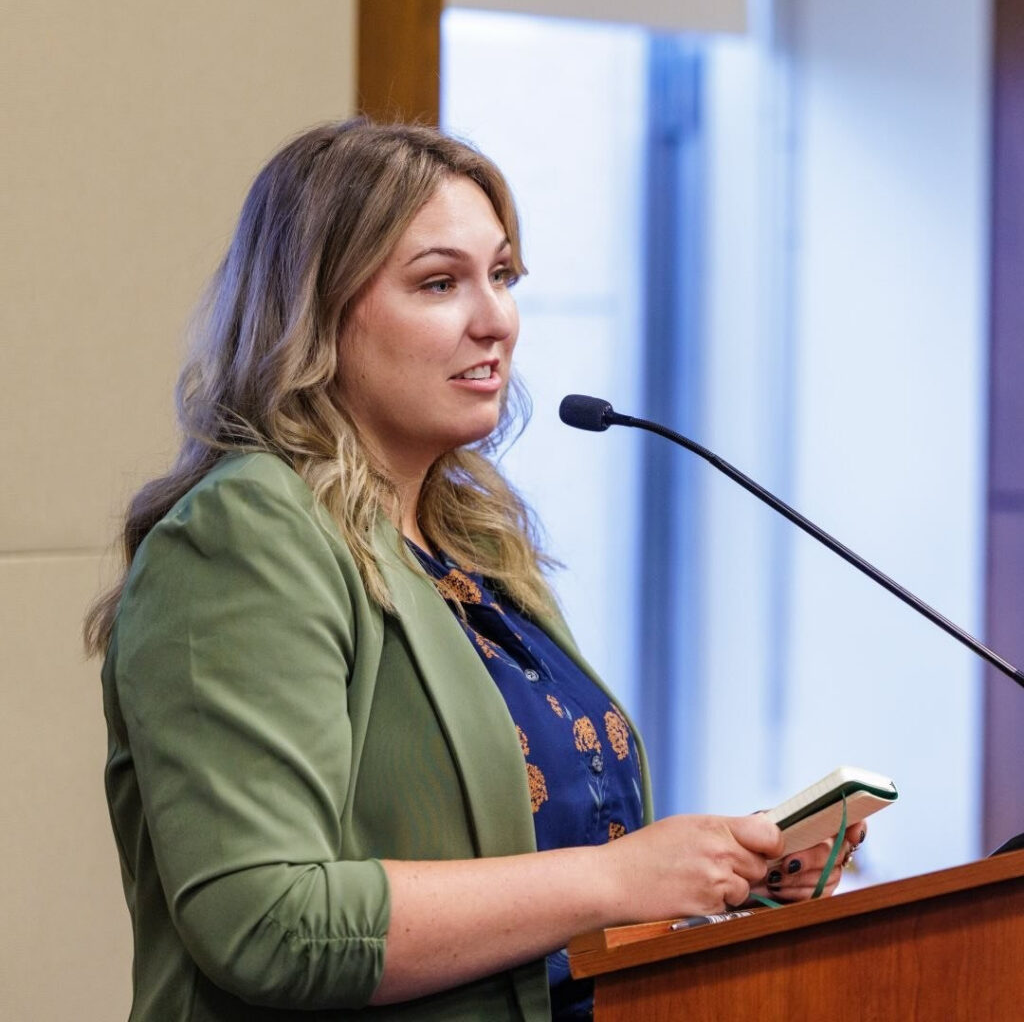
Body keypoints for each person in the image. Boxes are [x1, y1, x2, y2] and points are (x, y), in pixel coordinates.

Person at [85, 120, 865, 1021]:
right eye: (440, 283)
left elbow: (535, 890)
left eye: (502, 276)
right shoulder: (245, 533)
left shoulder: (473, 542)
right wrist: (616, 879)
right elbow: (265, 921)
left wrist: (717, 880)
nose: (494, 320)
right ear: (316, 311)